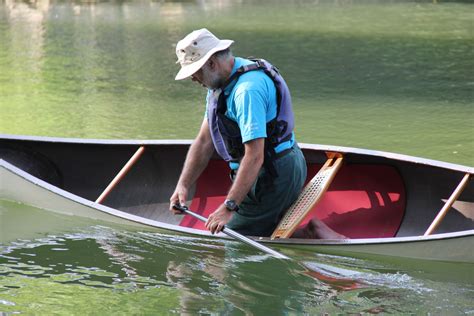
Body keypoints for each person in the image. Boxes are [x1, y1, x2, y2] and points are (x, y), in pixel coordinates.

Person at [169, 28, 342, 239]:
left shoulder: (247, 92)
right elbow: (205, 141)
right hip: (275, 166)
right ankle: (312, 232)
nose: (193, 79)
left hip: (273, 174)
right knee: (262, 233)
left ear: (211, 63)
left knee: (229, 242)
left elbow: (255, 156)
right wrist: (183, 185)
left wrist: (229, 207)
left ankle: (313, 235)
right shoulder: (221, 82)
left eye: (195, 72)